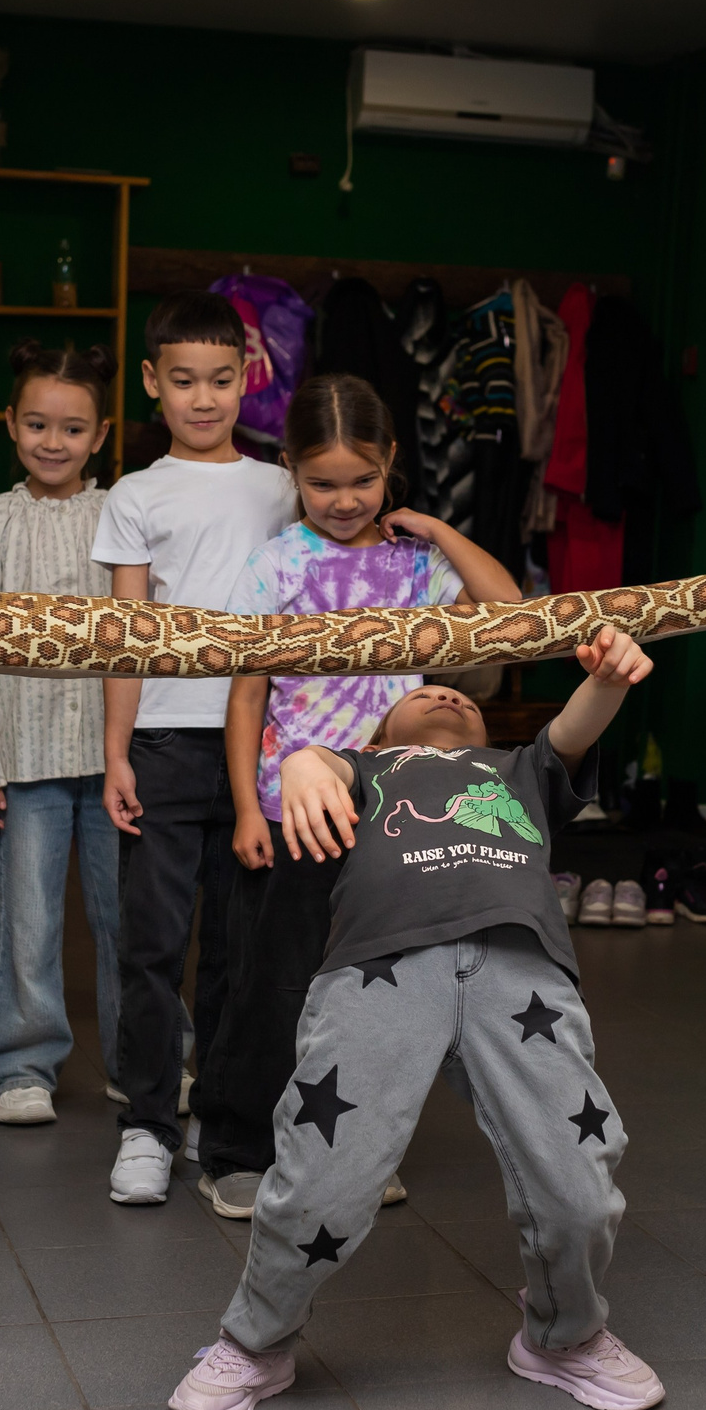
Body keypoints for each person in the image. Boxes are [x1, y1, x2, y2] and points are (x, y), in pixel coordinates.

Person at [170, 629, 667, 1410]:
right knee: (319, 1177)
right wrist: (302, 760)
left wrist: (609, 678)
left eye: (463, 696)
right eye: (425, 691)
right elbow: (320, 764)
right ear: (378, 733)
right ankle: (255, 1342)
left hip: (521, 972)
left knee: (579, 1179)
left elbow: (578, 725)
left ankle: (564, 1337)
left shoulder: (518, 769)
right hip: (380, 968)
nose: (446, 694)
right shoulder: (364, 766)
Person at [195, 374, 521, 1220]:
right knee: (272, 985)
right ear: (292, 473)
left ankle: (353, 1147)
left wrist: (440, 529)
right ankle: (235, 1150)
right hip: (287, 809)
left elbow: (515, 614)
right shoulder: (277, 565)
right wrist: (242, 808)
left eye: (363, 480)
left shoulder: (414, 562)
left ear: (391, 467)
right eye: (322, 482)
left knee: (377, 992)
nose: (344, 500)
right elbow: (246, 693)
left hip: (390, 809)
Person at [91, 294, 298, 1203]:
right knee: (151, 941)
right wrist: (117, 751)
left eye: (221, 379)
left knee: (239, 950)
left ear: (246, 379)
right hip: (167, 742)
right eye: (183, 381)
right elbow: (125, 633)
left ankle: (230, 1134)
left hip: (264, 744)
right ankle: (144, 1122)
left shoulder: (283, 486)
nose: (204, 398)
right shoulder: (135, 494)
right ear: (151, 384)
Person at [0, 341, 121, 1124]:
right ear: (11, 425)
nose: (55, 442)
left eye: (73, 429)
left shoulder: (122, 512)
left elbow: (147, 632)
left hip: (118, 759)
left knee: (131, 918)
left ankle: (143, 1060)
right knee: (27, 916)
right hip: (23, 754)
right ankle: (19, 1064)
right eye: (39, 424)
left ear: (102, 433)